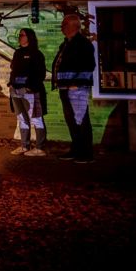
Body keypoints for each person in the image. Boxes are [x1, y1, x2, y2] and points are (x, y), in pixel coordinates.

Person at [51, 13, 96, 163]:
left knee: (81, 120)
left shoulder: (83, 44)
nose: (61, 27)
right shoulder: (66, 44)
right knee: (71, 120)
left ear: (73, 26)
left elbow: (89, 65)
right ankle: (76, 149)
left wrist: (77, 83)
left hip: (76, 88)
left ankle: (86, 153)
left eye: (64, 24)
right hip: (65, 87)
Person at [7, 28, 48, 156]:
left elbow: (40, 73)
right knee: (21, 118)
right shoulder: (17, 53)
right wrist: (11, 84)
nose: (20, 37)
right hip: (16, 90)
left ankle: (40, 148)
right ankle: (24, 146)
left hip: (30, 91)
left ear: (29, 37)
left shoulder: (36, 54)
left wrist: (30, 87)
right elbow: (14, 70)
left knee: (36, 118)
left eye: (22, 35)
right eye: (19, 35)